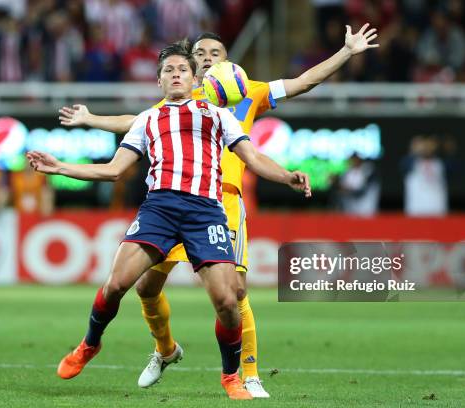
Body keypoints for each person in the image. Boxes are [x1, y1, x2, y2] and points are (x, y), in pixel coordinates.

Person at [58, 25, 378, 398]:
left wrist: (346, 52)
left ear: (228, 64)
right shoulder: (171, 103)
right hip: (166, 199)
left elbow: (303, 82)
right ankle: (164, 350)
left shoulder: (246, 95)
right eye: (201, 53)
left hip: (219, 201)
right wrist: (91, 119)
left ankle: (248, 373)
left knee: (233, 293)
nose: (208, 57)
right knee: (145, 287)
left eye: (216, 52)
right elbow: (135, 123)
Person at [27, 43, 311, 400]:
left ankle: (230, 378)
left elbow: (252, 158)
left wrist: (287, 176)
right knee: (117, 285)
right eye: (168, 70)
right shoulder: (148, 119)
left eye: (182, 70)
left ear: (195, 79)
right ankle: (89, 344)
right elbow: (114, 170)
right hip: (159, 209)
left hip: (206, 211)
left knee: (227, 301)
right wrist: (61, 167)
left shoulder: (218, 115)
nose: (175, 75)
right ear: (159, 81)